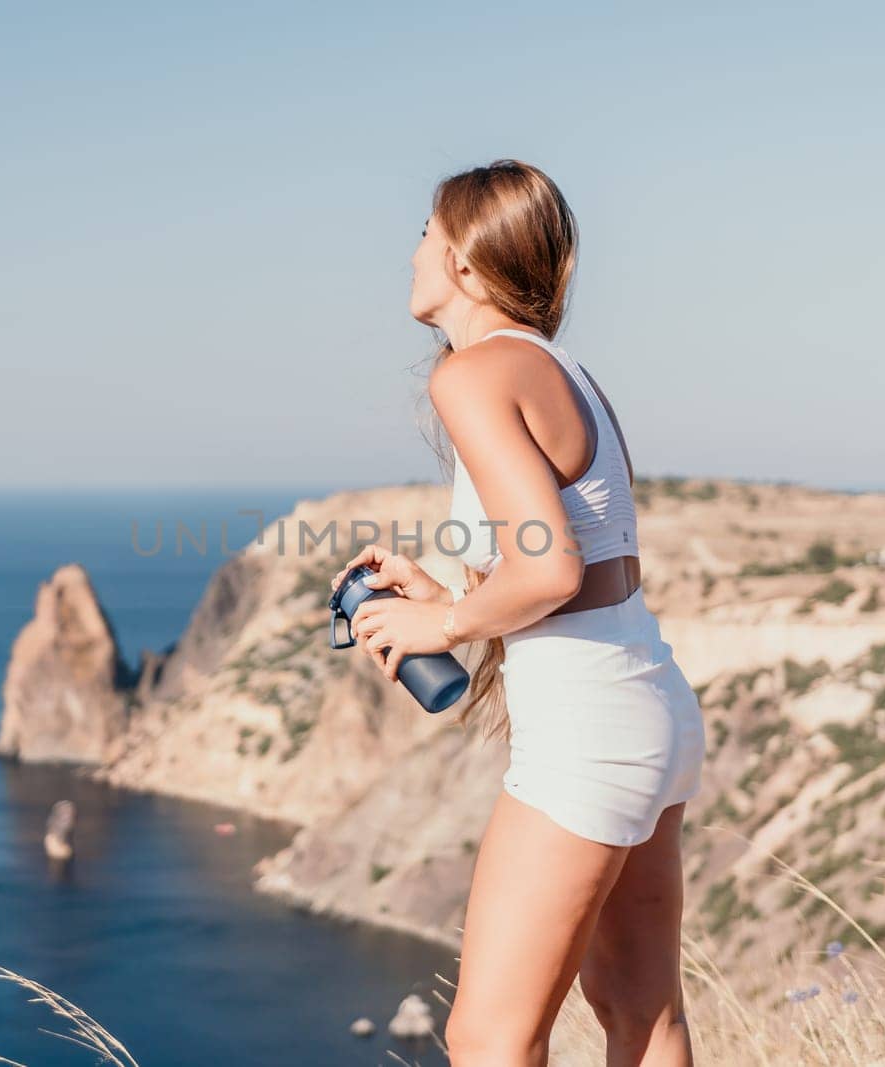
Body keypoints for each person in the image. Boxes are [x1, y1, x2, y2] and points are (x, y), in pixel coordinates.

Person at [330, 159, 706, 1066]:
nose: (412, 249)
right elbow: (574, 565)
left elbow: (551, 571)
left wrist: (443, 628)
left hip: (584, 730)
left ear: (463, 260)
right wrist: (451, 597)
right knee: (638, 1010)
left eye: (425, 230)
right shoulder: (559, 367)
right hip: (646, 699)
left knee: (488, 1036)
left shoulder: (472, 376)